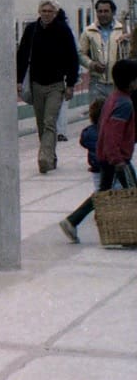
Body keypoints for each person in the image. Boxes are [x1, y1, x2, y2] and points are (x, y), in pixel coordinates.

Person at [58, 60, 137, 243]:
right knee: (133, 193)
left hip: (106, 156)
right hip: (117, 159)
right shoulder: (125, 104)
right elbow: (112, 134)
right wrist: (118, 160)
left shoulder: (113, 98)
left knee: (102, 193)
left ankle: (72, 221)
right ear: (131, 82)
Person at [16, 0, 80, 174]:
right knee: (41, 123)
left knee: (49, 121)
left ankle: (44, 157)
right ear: (39, 12)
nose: (46, 14)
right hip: (36, 83)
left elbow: (72, 58)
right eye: (43, 11)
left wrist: (71, 84)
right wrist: (19, 80)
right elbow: (22, 55)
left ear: (55, 13)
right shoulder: (31, 30)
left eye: (50, 11)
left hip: (56, 84)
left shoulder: (63, 30)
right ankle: (51, 155)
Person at [79, 0, 129, 102]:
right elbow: (80, 54)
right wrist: (91, 64)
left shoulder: (124, 30)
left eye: (106, 11)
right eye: (100, 11)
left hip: (119, 84)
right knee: (98, 112)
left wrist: (129, 40)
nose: (102, 14)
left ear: (113, 12)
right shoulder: (88, 31)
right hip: (97, 84)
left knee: (118, 111)